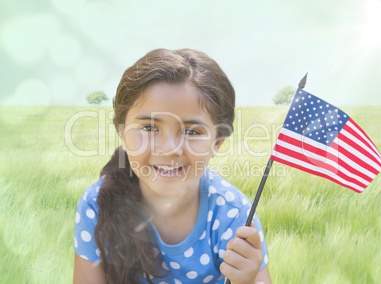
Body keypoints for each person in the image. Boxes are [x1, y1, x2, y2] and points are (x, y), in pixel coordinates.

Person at [73, 48, 272, 284]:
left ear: (217, 143)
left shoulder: (234, 216)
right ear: (123, 133)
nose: (169, 148)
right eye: (148, 128)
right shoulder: (98, 204)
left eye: (191, 131)